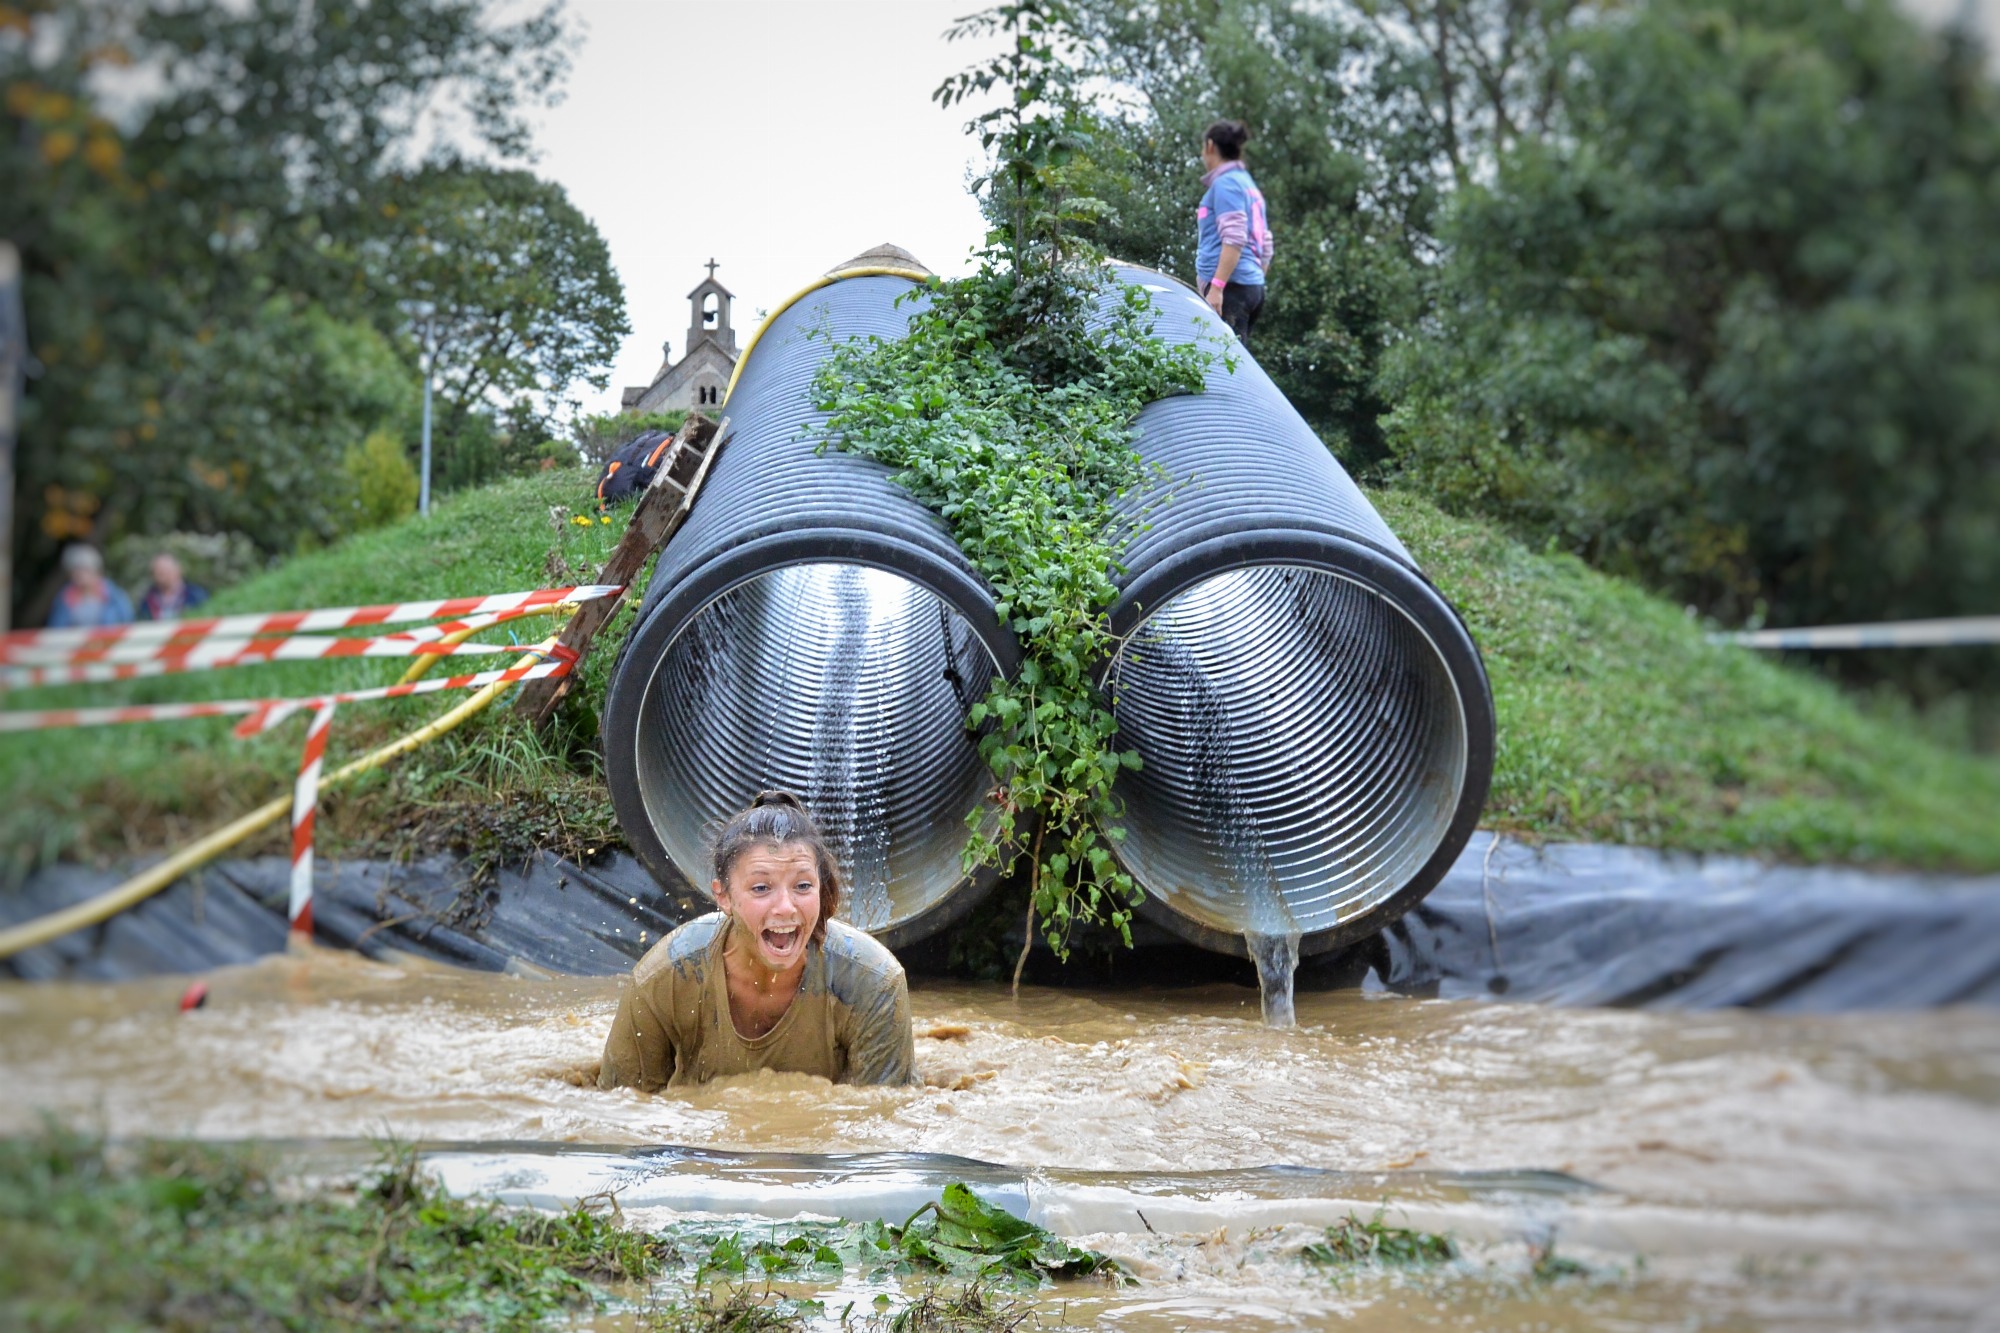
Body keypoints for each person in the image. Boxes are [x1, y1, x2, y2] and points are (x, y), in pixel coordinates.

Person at [598, 790, 917, 1090]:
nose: (785, 907)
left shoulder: (873, 981)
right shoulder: (666, 977)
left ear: (821, 888)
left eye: (803, 886)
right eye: (761, 888)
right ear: (723, 896)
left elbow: (882, 1123)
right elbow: (623, 1112)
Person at [1195, 118, 1273, 347]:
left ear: (1210, 146)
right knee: (1231, 361)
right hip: (1250, 288)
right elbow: (1266, 244)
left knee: (1221, 366)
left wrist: (1218, 288)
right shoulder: (1248, 185)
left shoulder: (1226, 184)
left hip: (1232, 290)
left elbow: (1234, 239)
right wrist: (1253, 281)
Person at [45, 542, 133, 629]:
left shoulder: (115, 596)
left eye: (85, 570)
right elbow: (56, 629)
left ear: (96, 571)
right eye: (76, 570)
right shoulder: (64, 598)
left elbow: (128, 622)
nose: (80, 575)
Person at [137, 552, 210, 621]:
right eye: (159, 572)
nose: (163, 577)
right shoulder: (146, 602)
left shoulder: (197, 596)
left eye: (166, 571)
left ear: (178, 570)